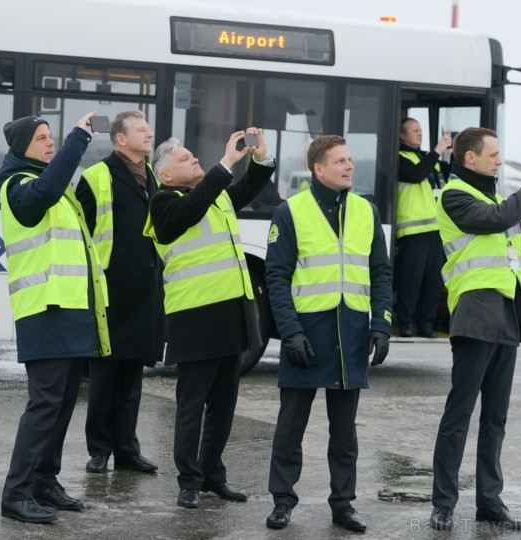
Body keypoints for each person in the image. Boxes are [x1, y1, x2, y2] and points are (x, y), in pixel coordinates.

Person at [429, 127, 521, 532]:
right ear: (470, 158)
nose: (499, 161)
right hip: (475, 314)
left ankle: (489, 502)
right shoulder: (454, 195)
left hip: (507, 316)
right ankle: (443, 504)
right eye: (494, 154)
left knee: (495, 418)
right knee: (459, 415)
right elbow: (496, 220)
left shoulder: (494, 199)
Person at [264, 135, 393, 533]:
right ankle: (282, 502)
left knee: (344, 432)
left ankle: (343, 504)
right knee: (290, 428)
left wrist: (382, 324)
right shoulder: (291, 211)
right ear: (319, 169)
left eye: (350, 160)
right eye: (340, 161)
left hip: (351, 332)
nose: (349, 166)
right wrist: (290, 332)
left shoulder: (366, 211)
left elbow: (380, 272)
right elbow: (276, 277)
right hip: (307, 334)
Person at [143, 129, 276, 509]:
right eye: (185, 159)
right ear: (165, 176)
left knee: (223, 404)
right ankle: (188, 480)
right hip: (195, 317)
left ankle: (212, 474)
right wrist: (225, 164)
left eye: (193, 156)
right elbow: (186, 214)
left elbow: (248, 188)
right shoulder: (163, 203)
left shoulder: (214, 197)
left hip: (231, 314)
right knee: (191, 405)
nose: (195, 160)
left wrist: (260, 159)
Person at [0, 113, 110, 524]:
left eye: (52, 137)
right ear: (21, 146)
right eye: (41, 138)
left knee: (60, 405)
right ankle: (17, 493)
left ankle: (45, 481)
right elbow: (39, 196)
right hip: (45, 310)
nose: (49, 143)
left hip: (70, 309)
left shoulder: (53, 188)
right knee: (44, 405)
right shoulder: (16, 185)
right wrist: (78, 140)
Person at [75, 110, 164, 475]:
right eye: (140, 130)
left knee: (132, 377)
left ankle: (127, 449)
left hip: (145, 289)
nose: (149, 134)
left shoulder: (154, 175)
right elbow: (80, 237)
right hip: (110, 289)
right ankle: (99, 450)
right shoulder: (96, 177)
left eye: (149, 129)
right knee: (104, 377)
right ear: (120, 139)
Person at [394, 118, 453, 338]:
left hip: (435, 229)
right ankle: (407, 322)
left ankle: (427, 324)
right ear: (402, 136)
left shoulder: (429, 159)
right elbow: (416, 174)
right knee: (411, 280)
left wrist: (451, 151)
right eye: (415, 131)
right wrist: (437, 150)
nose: (420, 134)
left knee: (433, 280)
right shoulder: (399, 157)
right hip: (413, 230)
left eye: (421, 131)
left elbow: (448, 175)